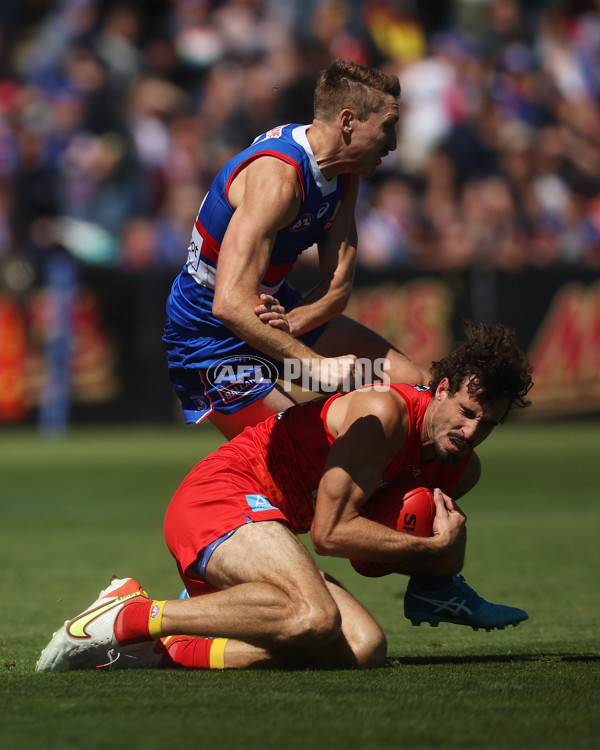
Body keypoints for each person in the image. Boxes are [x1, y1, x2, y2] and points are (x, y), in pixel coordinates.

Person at [37, 321, 534, 673]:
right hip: (222, 495)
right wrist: (430, 551)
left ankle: (167, 647)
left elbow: (379, 546)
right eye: (467, 411)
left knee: (362, 649)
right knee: (312, 617)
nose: (471, 430)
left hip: (266, 527)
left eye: (488, 423)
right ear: (442, 388)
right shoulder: (386, 414)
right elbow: (331, 534)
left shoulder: (459, 468)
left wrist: (438, 576)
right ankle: (127, 615)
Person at [162, 58, 426, 440]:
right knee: (302, 455)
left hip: (272, 311)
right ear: (348, 121)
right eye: (387, 128)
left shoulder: (345, 175)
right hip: (210, 334)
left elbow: (336, 290)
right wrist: (314, 365)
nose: (394, 143)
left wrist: (291, 324)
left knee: (415, 388)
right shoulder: (279, 178)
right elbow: (229, 304)